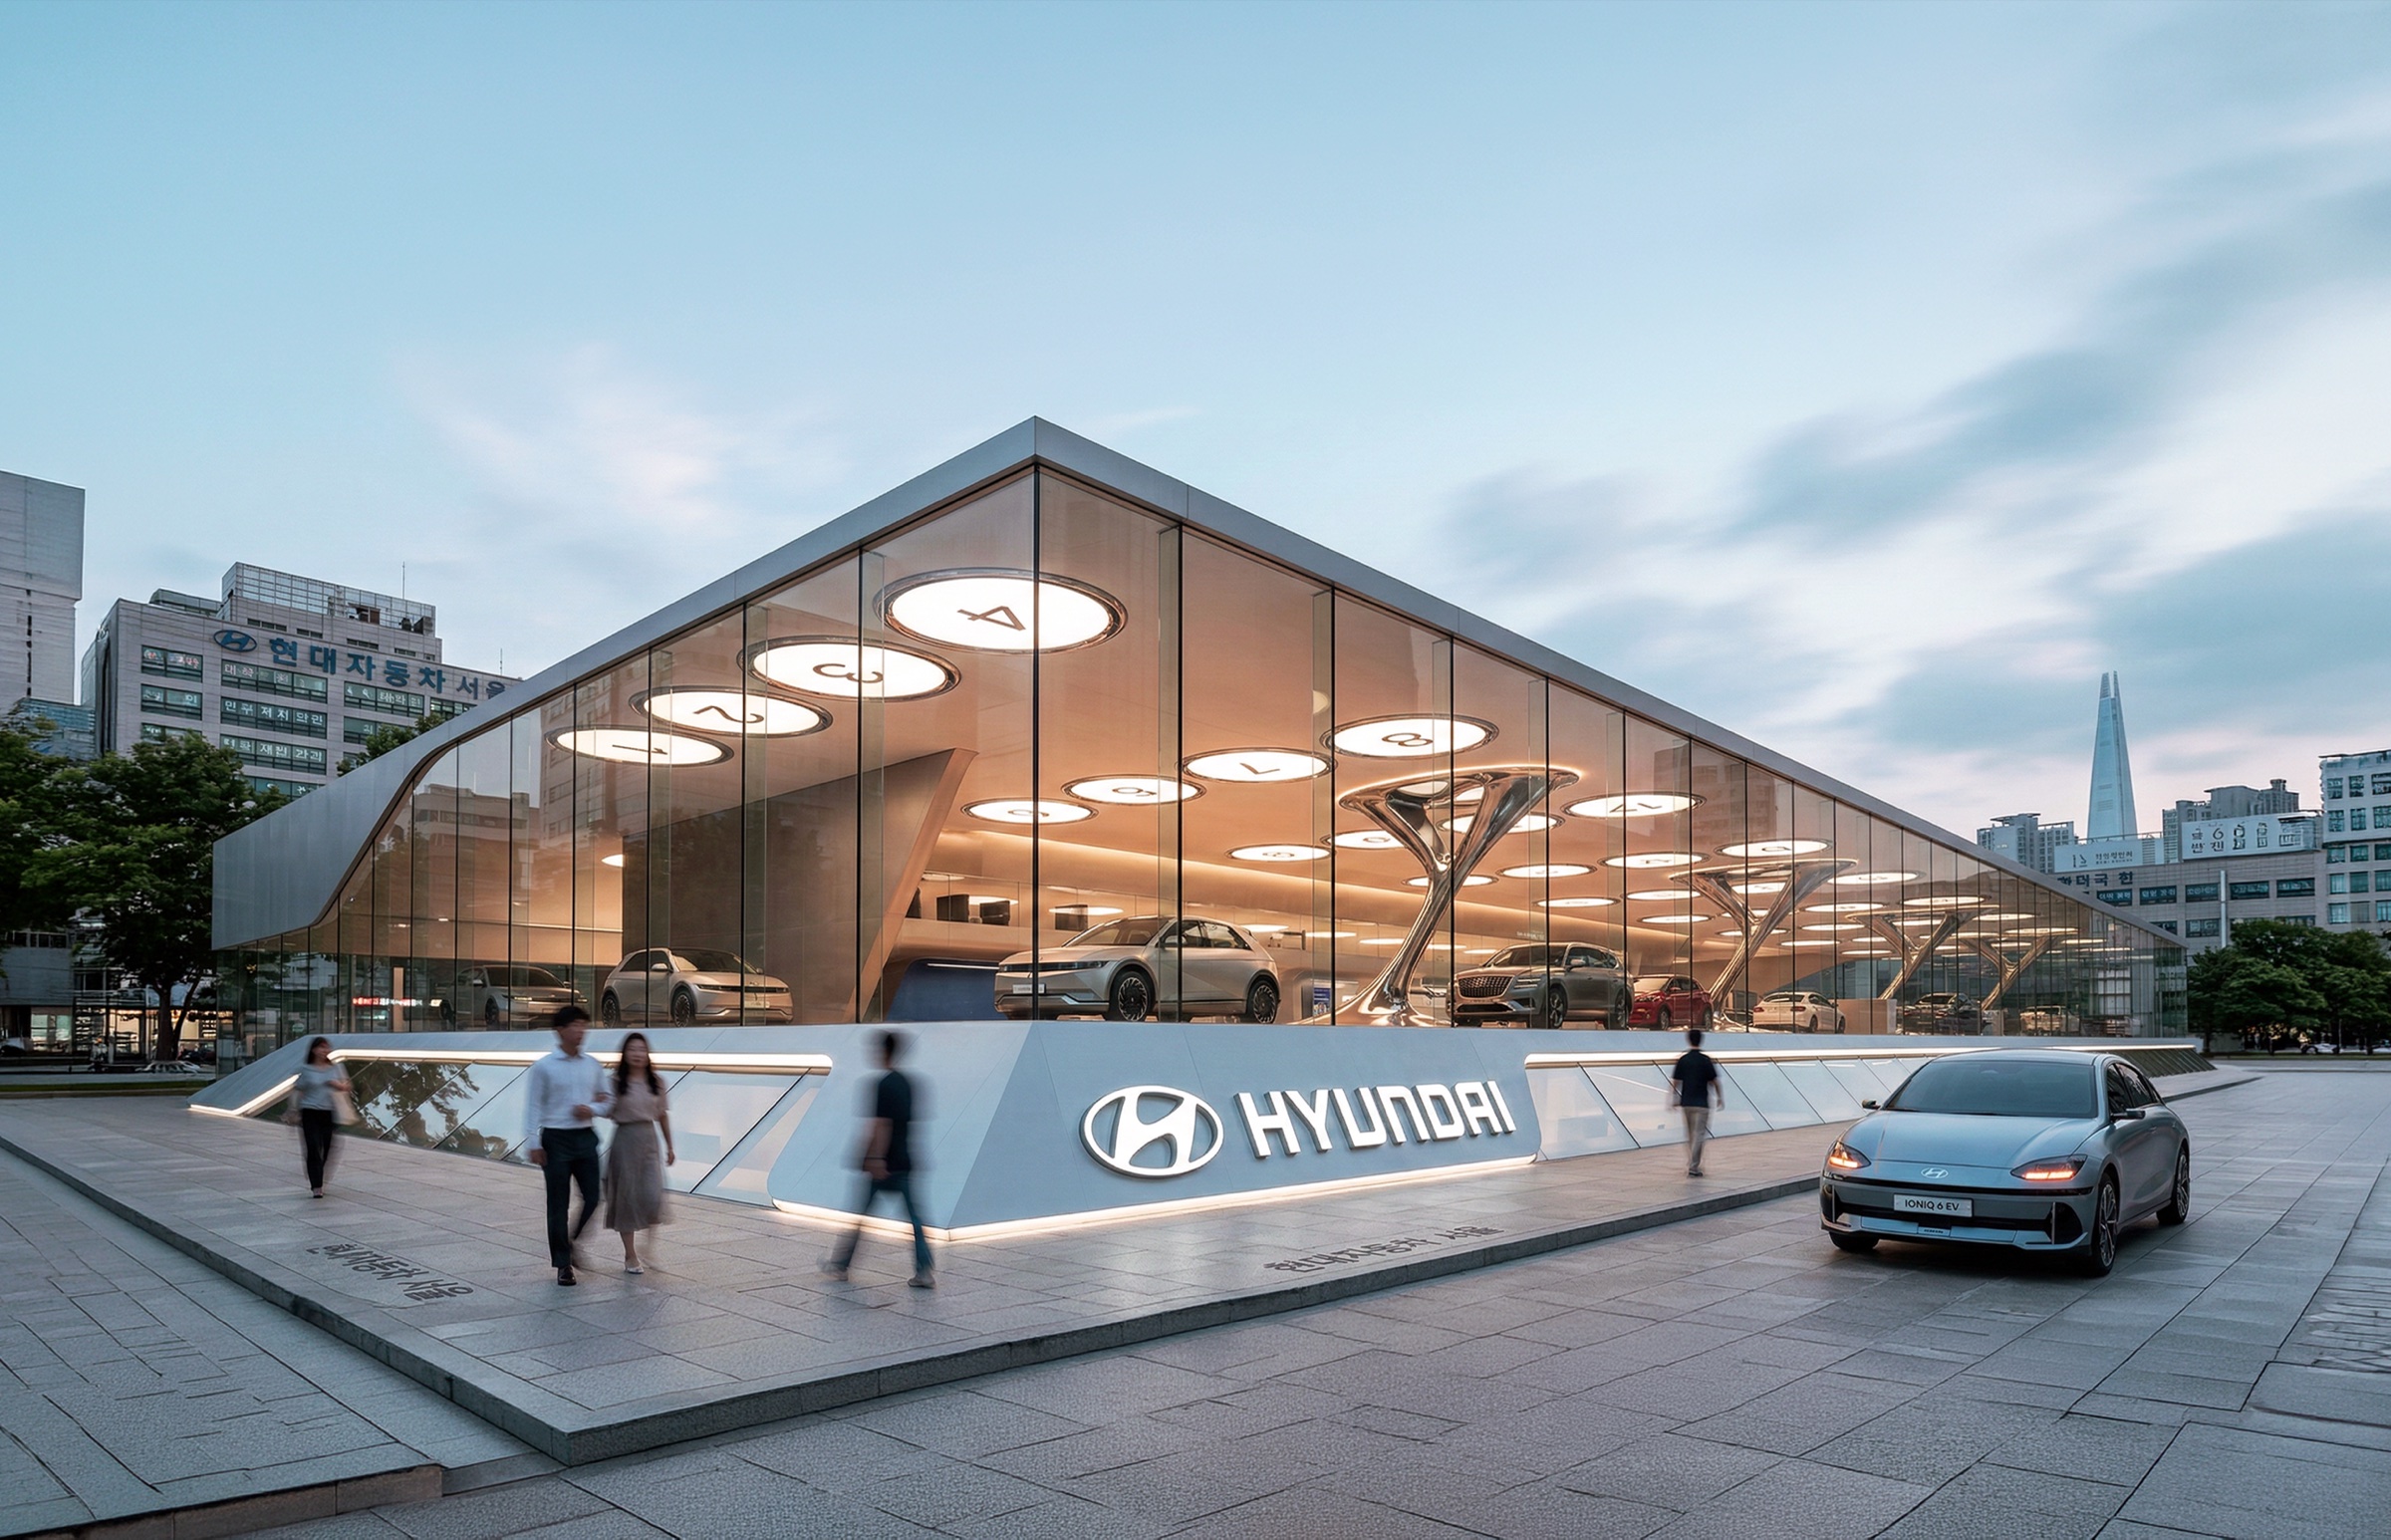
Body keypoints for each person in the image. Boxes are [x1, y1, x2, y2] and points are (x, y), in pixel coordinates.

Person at [822, 1029, 931, 1288]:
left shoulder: (882, 1085)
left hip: (884, 1165)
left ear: (883, 1052)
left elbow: (880, 1125)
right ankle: (924, 1271)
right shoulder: (908, 1083)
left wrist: (874, 1158)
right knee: (915, 1220)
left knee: (860, 1216)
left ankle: (840, 1266)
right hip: (905, 1160)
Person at [524, 1006, 612, 1286]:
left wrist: (593, 1108)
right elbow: (532, 1107)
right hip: (556, 1139)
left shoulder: (592, 1065)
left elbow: (609, 1101)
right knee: (557, 1204)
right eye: (575, 1025)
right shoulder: (544, 1067)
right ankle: (563, 1264)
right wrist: (533, 1143)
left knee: (593, 1197)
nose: (581, 1031)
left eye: (584, 1025)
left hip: (585, 1136)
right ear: (560, 1030)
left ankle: (571, 1242)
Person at [604, 1032, 674, 1274]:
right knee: (627, 1199)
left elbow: (663, 1114)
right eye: (632, 1049)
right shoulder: (615, 1082)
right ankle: (630, 1255)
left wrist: (670, 1146)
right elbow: (604, 1108)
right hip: (625, 1140)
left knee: (653, 1196)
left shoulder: (657, 1082)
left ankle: (648, 1248)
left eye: (642, 1049)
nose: (637, 1054)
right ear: (625, 1054)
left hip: (649, 1139)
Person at [284, 1037, 351, 1198]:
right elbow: (298, 1090)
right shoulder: (306, 1069)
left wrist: (337, 1085)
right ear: (314, 1050)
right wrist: (293, 1110)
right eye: (321, 1047)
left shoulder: (335, 1068)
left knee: (326, 1148)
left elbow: (347, 1086)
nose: (325, 1050)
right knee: (313, 1147)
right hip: (309, 1112)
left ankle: (319, 1175)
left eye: (327, 1047)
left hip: (328, 1113)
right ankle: (316, 1185)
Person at [1670, 1027, 1724, 1176]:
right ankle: (1694, 1166)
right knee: (1699, 1135)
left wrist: (1673, 1098)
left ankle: (1692, 1162)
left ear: (1688, 1039)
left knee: (1690, 1135)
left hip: (1686, 1102)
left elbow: (1675, 1082)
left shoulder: (1683, 1059)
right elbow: (1714, 1081)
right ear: (1701, 1040)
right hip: (1702, 1103)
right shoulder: (1705, 1060)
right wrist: (1720, 1098)